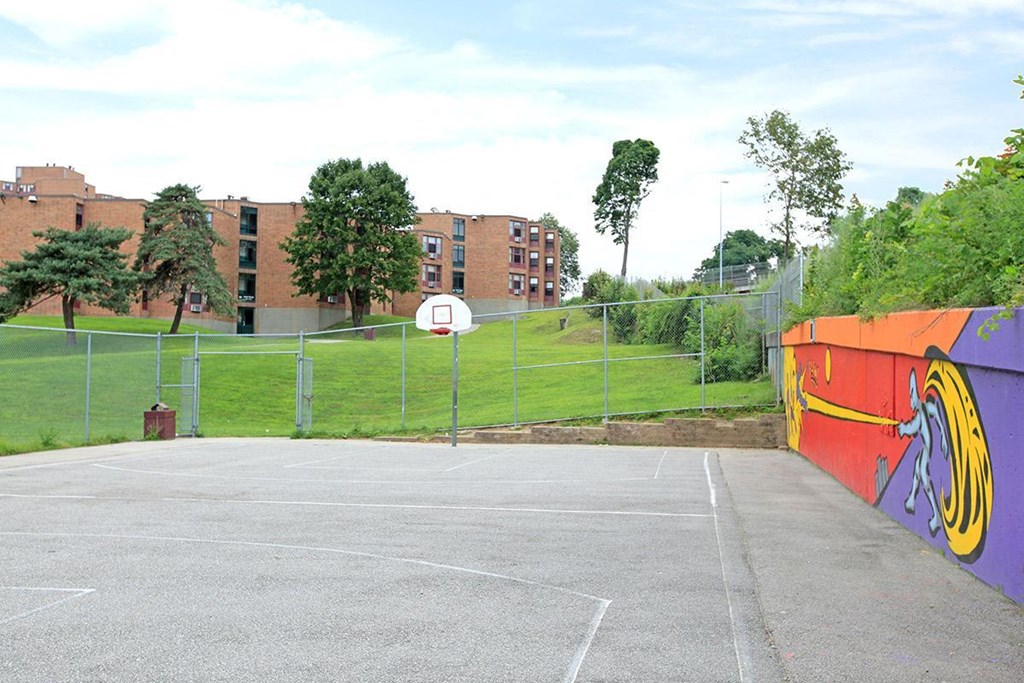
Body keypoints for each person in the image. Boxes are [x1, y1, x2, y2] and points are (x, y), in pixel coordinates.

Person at [897, 369, 949, 537]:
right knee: (917, 470)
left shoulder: (920, 412)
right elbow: (935, 412)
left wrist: (904, 429)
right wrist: (942, 434)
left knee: (922, 475)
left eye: (911, 393)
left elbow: (913, 427)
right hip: (927, 449)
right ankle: (912, 498)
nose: (910, 399)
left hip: (929, 450)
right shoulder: (927, 407)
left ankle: (935, 515)